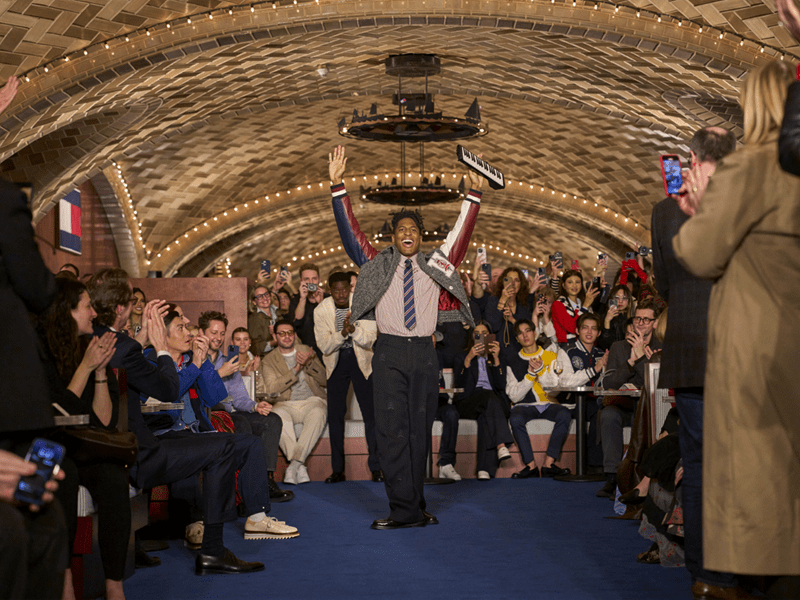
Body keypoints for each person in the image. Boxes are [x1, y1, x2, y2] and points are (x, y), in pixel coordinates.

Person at [673, 59, 800, 592]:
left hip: (754, 345)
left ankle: (744, 581)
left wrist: (700, 209)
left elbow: (698, 254)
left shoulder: (753, 167)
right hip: (791, 337)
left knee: (756, 478)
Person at [329, 144, 481, 529]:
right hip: (390, 353)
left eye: (413, 228)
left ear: (420, 236)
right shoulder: (378, 264)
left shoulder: (436, 265)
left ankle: (415, 505)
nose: (408, 233)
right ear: (393, 237)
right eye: (401, 229)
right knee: (393, 431)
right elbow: (352, 236)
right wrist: (337, 187)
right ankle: (402, 511)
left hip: (425, 356)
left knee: (418, 432)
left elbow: (459, 237)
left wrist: (474, 197)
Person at [651, 126, 741, 599]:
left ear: (691, 158)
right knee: (740, 462)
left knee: (699, 463)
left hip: (687, 345)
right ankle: (742, 570)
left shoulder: (665, 210)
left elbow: (663, 282)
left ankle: (704, 575)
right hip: (737, 344)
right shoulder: (744, 201)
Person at [38, 278, 129, 600]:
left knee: (113, 477)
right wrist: (85, 368)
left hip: (82, 445)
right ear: (66, 312)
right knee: (65, 475)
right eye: (87, 306)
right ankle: (64, 584)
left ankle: (114, 584)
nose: (94, 313)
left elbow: (103, 422)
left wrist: (100, 371)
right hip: (46, 445)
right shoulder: (40, 352)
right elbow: (56, 411)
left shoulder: (86, 347)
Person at [198, 312, 293, 503]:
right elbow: (198, 392)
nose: (218, 338)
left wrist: (255, 406)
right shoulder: (195, 359)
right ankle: (243, 490)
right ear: (202, 332)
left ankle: (265, 480)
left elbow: (240, 397)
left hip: (232, 412)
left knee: (271, 420)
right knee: (241, 424)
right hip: (210, 414)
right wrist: (220, 373)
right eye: (213, 332)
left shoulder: (228, 360)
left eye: (222, 333)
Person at [314, 271, 382, 483]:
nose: (341, 294)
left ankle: (377, 468)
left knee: (371, 415)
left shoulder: (364, 303)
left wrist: (353, 331)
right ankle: (337, 470)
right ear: (330, 290)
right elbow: (324, 346)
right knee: (335, 416)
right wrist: (342, 334)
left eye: (345, 289)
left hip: (362, 362)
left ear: (350, 288)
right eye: (336, 290)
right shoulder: (321, 310)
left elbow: (371, 339)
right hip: (336, 362)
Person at [596, 300, 663, 499]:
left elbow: (657, 384)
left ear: (655, 323)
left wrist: (645, 359)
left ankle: (642, 476)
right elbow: (610, 383)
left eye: (646, 319)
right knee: (607, 415)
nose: (641, 323)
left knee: (647, 419)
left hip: (649, 407)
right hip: (623, 405)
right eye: (637, 318)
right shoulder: (619, 347)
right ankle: (613, 476)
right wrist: (631, 362)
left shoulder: (661, 346)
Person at [260, 319, 328, 485]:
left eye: (289, 332)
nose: (286, 336)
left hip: (311, 401)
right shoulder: (268, 360)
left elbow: (325, 379)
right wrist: (296, 369)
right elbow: (270, 389)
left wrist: (309, 362)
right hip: (284, 404)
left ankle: (294, 466)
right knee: (276, 417)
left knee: (319, 411)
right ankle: (300, 466)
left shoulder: (306, 351)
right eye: (281, 333)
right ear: (275, 336)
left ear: (294, 335)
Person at [504, 319, 574, 478]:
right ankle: (531, 466)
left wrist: (541, 371)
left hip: (549, 403)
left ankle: (549, 464)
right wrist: (530, 375)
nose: (525, 335)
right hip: (525, 406)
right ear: (517, 339)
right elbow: (514, 395)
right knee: (515, 418)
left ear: (535, 332)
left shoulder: (551, 356)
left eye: (528, 330)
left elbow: (556, 388)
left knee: (564, 414)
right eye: (520, 333)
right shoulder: (512, 362)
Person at [452, 322, 514, 480]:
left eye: (485, 332)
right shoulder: (461, 355)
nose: (480, 336)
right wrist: (469, 358)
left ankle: (484, 470)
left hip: (490, 403)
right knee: (488, 398)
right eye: (477, 333)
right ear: (472, 337)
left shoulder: (496, 357)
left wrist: (496, 358)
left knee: (487, 414)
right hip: (468, 401)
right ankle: (501, 444)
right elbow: (459, 384)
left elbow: (500, 386)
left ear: (490, 336)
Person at [551, 269, 599, 345]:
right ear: (564, 285)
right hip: (567, 348)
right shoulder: (558, 304)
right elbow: (572, 328)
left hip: (587, 347)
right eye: (570, 282)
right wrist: (585, 307)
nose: (574, 285)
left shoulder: (584, 302)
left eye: (577, 282)